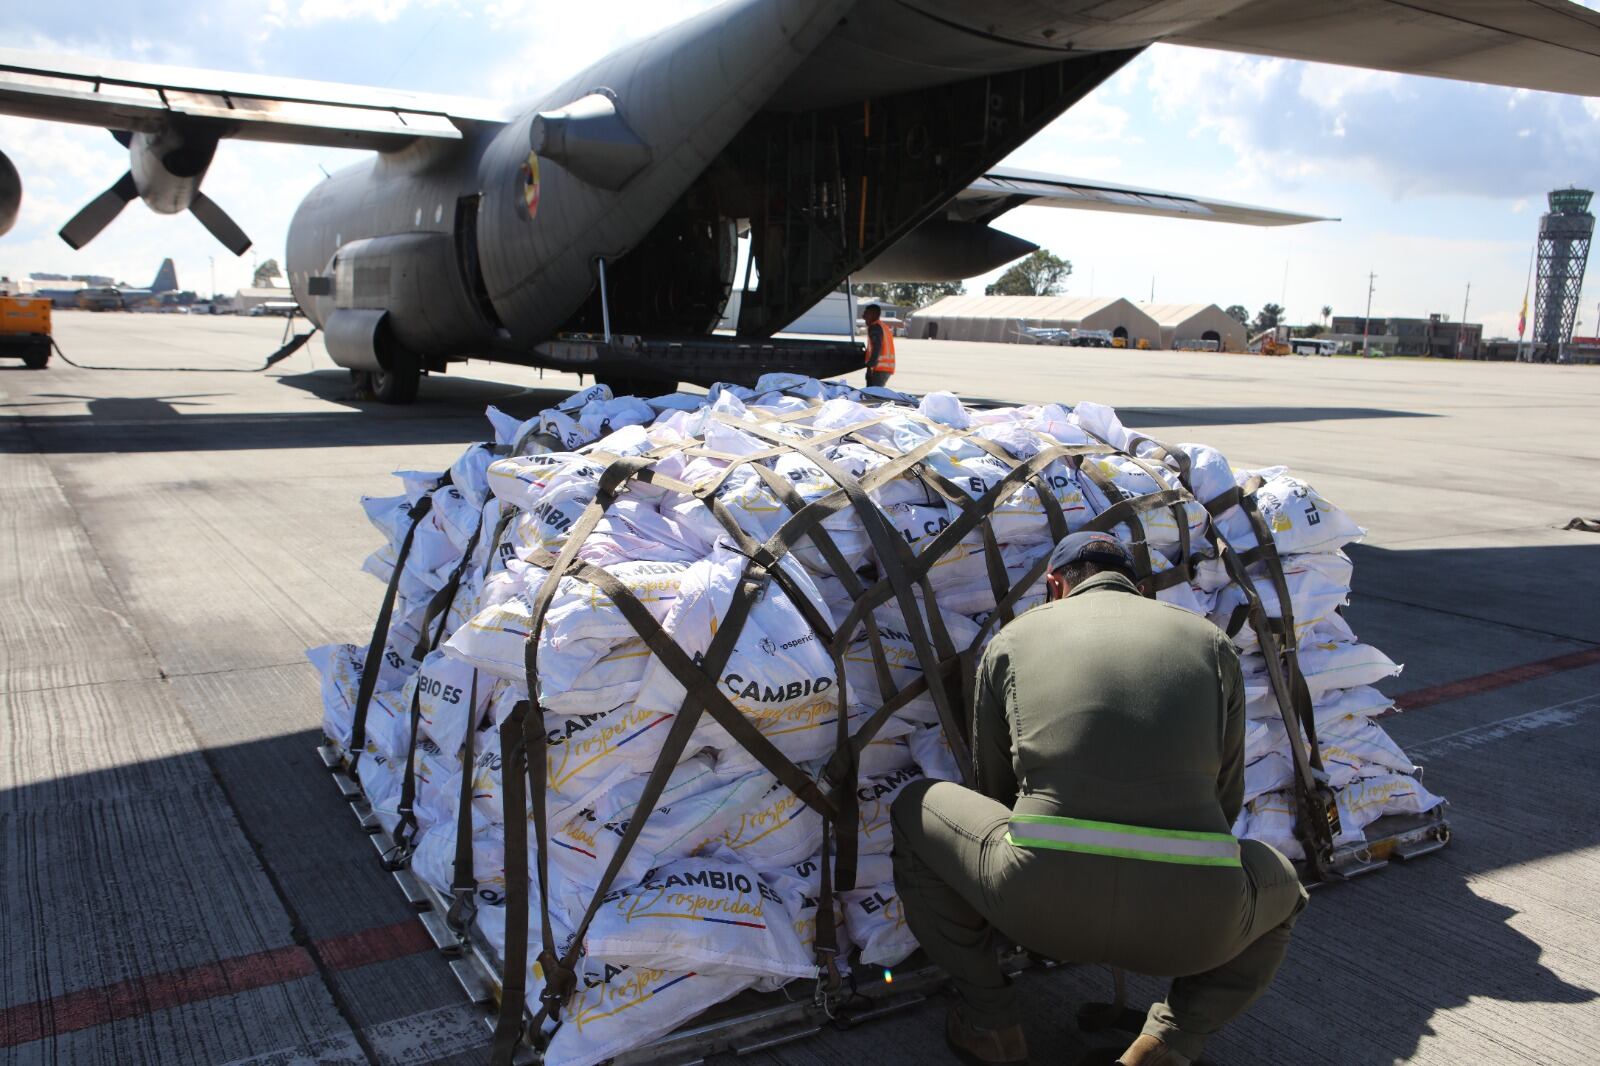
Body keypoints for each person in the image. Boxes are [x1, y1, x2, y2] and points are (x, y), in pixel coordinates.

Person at [890, 531, 1308, 1066]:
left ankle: (990, 1023)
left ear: (1055, 584)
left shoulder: (1014, 639)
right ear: (1138, 587)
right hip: (1194, 926)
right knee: (1285, 890)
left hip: (1038, 907)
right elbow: (1225, 797)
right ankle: (1171, 1042)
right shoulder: (1209, 643)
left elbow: (993, 790)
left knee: (913, 807)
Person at [862, 303, 895, 387]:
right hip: (884, 368)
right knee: (875, 394)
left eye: (866, 314)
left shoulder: (875, 327)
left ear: (874, 315)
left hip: (878, 369)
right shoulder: (883, 326)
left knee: (873, 395)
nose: (863, 316)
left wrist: (871, 365)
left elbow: (877, 347)